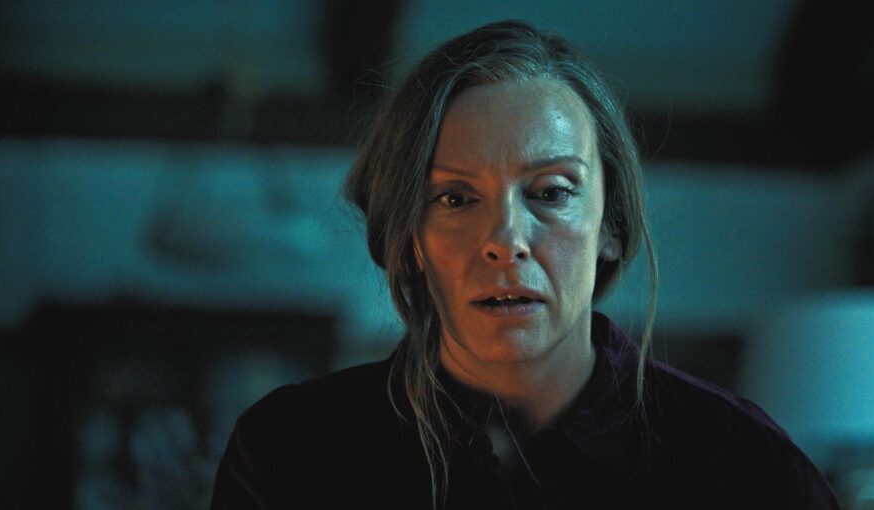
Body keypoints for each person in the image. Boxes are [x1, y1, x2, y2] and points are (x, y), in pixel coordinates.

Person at [211, 21, 841, 509]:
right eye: (455, 198)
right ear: (410, 239)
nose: (506, 240)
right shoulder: (290, 451)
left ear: (612, 224)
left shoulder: (741, 464)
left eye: (551, 192)